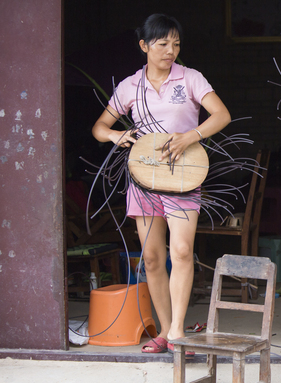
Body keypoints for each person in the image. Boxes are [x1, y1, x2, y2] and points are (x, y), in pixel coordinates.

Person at [92, 14, 231, 354]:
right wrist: (115, 134)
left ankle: (179, 331)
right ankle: (165, 330)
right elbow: (99, 127)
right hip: (144, 177)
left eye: (176, 44)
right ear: (144, 46)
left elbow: (222, 115)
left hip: (184, 175)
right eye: (163, 44)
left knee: (181, 251)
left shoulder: (191, 78)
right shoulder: (129, 86)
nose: (171, 51)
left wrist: (189, 137)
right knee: (152, 259)